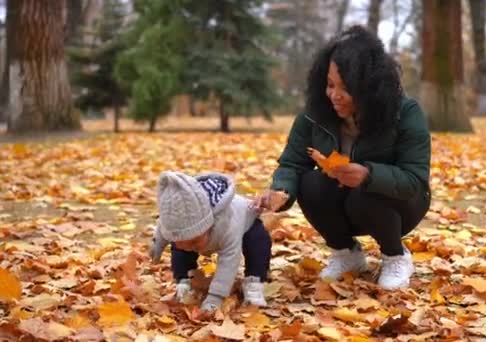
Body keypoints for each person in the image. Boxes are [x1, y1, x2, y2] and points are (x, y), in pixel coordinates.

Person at [253, 25, 431, 290]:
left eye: (345, 88)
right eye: (329, 84)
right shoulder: (314, 115)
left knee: (365, 190)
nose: (334, 95)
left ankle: (396, 256)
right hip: (341, 203)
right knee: (310, 182)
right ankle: (346, 255)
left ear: (369, 88)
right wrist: (281, 191)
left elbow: (415, 180)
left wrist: (369, 174)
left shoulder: (405, 112)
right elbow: (292, 163)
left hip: (399, 206)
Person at [149, 171, 271, 311]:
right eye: (183, 241)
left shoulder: (227, 226)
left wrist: (215, 297)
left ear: (208, 227)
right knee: (180, 247)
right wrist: (156, 246)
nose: (190, 247)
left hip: (246, 223)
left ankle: (254, 281)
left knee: (258, 241)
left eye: (195, 241)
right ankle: (185, 282)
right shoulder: (175, 221)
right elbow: (164, 227)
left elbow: (229, 261)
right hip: (193, 231)